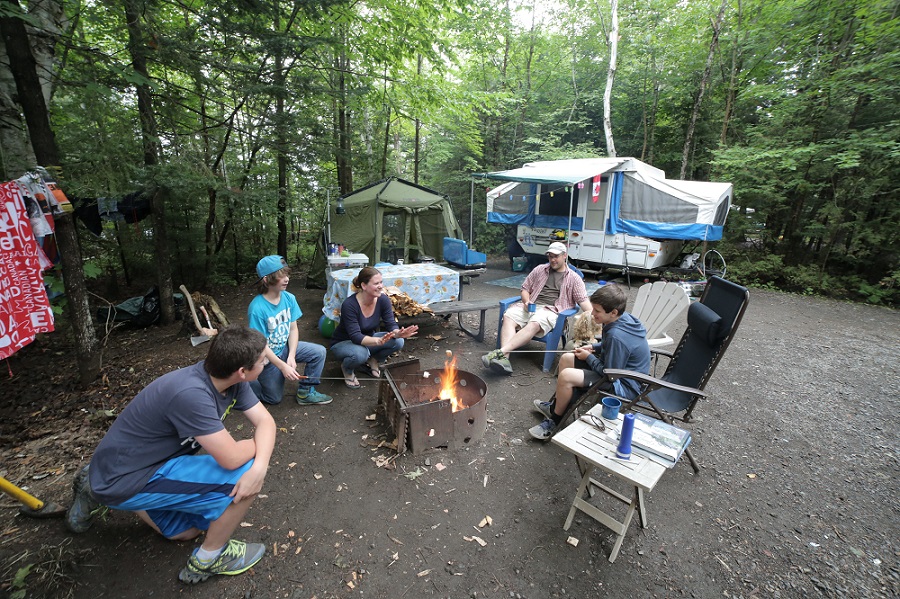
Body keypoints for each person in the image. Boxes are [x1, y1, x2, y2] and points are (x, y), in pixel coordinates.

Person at [65, 326, 276, 584]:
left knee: (187, 532)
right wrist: (254, 455)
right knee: (242, 474)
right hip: (125, 477)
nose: (266, 362)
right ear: (242, 371)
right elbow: (231, 458)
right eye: (262, 361)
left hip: (147, 463)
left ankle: (91, 481)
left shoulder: (230, 380)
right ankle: (208, 560)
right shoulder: (191, 394)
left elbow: (266, 423)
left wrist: (261, 466)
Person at [529, 284, 650, 440]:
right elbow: (609, 347)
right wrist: (594, 347)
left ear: (613, 312)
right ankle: (556, 407)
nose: (592, 314)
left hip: (623, 385)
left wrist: (588, 357)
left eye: (597, 311)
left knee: (566, 376)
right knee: (566, 358)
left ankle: (555, 421)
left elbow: (610, 374)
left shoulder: (617, 336)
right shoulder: (622, 318)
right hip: (614, 370)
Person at [481, 241, 592, 374]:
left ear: (564, 256)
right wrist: (527, 302)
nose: (553, 259)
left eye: (556, 256)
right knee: (508, 315)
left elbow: (583, 301)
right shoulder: (540, 269)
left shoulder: (574, 278)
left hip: (553, 310)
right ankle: (504, 359)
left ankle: (500, 352)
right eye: (550, 256)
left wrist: (594, 315)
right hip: (532, 305)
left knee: (534, 323)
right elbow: (525, 289)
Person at [248, 255, 332, 406]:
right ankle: (243, 385)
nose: (286, 279)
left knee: (319, 352)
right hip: (268, 356)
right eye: (281, 276)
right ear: (267, 280)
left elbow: (293, 329)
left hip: (284, 349)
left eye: (287, 274)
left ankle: (306, 393)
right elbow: (260, 345)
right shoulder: (257, 308)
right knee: (274, 398)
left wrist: (291, 357)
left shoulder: (289, 298)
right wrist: (282, 366)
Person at [330, 266, 418, 388]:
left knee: (398, 341)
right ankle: (347, 369)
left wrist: (398, 333)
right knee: (361, 354)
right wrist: (378, 341)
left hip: (368, 339)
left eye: (381, 282)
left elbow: (391, 324)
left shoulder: (383, 300)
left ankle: (373, 359)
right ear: (364, 286)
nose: (381, 286)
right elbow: (355, 337)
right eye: (376, 283)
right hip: (344, 342)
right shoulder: (349, 305)